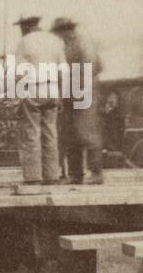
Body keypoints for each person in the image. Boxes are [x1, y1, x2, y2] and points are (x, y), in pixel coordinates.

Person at [14, 14, 66, 184]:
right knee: (51, 133)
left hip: (34, 88)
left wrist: (18, 96)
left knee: (31, 133)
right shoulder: (54, 41)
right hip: (52, 88)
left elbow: (19, 72)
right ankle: (52, 175)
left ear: (25, 27)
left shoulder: (25, 42)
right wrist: (60, 94)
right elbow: (62, 70)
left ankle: (33, 177)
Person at [52, 17, 104, 184]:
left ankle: (96, 173)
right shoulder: (69, 46)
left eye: (61, 31)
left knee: (87, 134)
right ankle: (76, 175)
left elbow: (94, 67)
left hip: (82, 92)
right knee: (71, 135)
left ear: (68, 30)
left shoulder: (82, 45)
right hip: (72, 94)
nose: (60, 35)